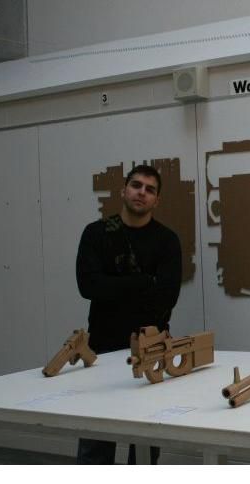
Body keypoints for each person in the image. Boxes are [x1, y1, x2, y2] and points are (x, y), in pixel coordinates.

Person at [75, 164, 182, 464]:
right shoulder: (96, 233)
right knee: (95, 443)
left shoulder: (166, 241)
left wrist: (112, 286)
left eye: (150, 189)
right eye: (136, 185)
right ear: (123, 190)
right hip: (102, 349)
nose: (141, 193)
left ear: (157, 200)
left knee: (145, 446)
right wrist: (144, 282)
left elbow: (167, 297)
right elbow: (88, 286)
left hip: (151, 350)